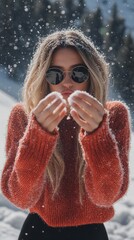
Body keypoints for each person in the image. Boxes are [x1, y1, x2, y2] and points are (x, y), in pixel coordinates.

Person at [1, 29, 131, 240]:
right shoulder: (23, 117)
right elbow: (20, 196)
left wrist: (98, 136)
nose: (67, 82)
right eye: (56, 74)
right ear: (44, 77)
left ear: (92, 74)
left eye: (78, 73)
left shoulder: (113, 115)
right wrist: (37, 138)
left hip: (92, 234)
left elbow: (107, 195)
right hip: (37, 232)